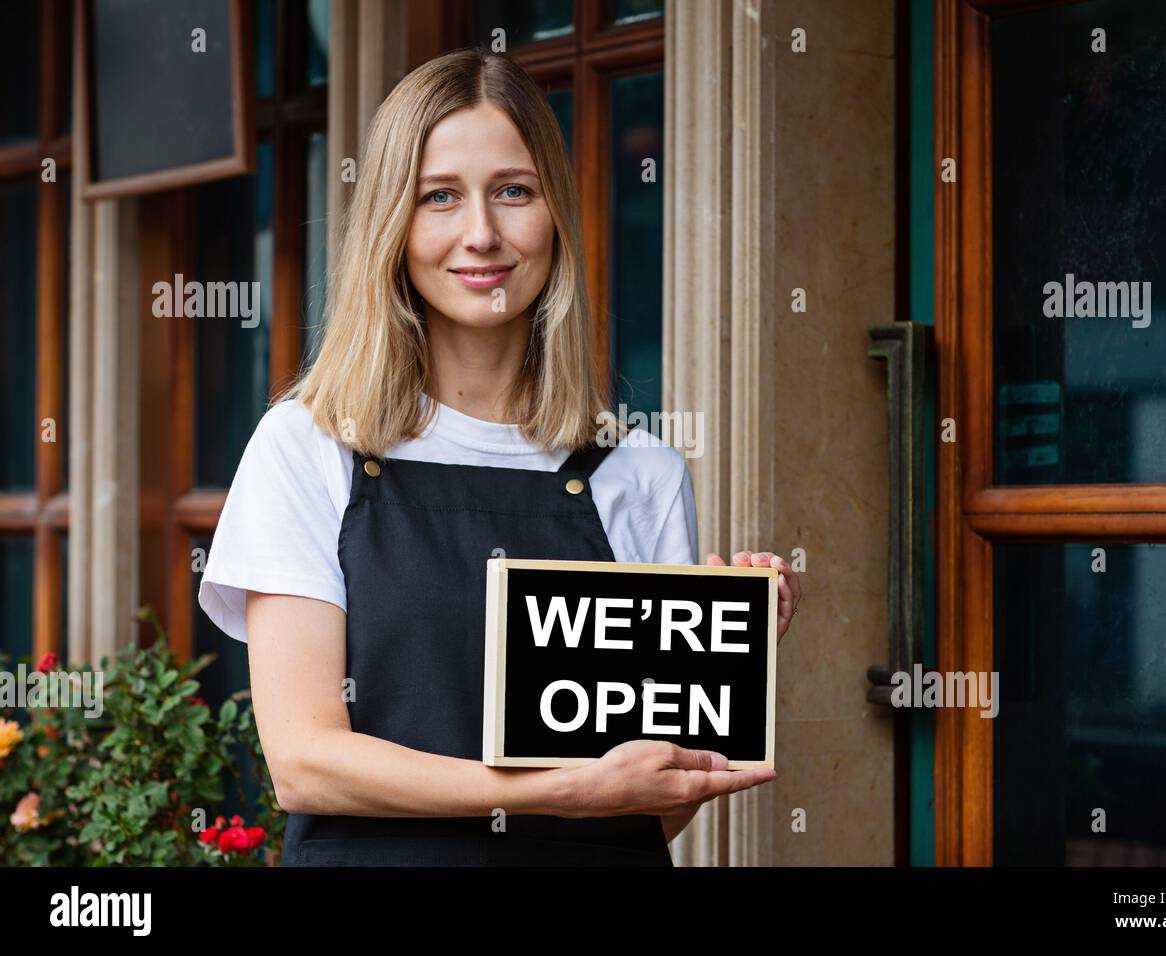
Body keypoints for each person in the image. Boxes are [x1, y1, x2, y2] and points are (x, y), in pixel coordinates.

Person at [198, 47, 803, 866]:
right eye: (438, 197)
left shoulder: (643, 472)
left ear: (555, 213)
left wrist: (722, 658)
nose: (481, 234)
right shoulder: (308, 447)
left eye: (513, 191)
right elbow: (307, 765)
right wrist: (550, 791)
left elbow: (647, 811)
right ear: (392, 225)